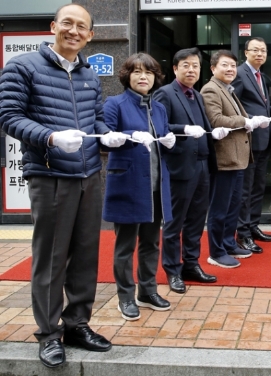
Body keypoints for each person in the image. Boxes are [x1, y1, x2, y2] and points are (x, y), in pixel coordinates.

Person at [0, 4, 126, 368]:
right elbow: (9, 116)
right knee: (52, 258)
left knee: (86, 255)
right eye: (67, 23)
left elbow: (98, 119)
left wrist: (108, 137)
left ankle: (77, 324)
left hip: (89, 174)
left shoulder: (88, 74)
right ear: (53, 26)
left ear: (90, 36)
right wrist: (50, 137)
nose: (73, 31)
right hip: (50, 173)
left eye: (81, 27)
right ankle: (49, 334)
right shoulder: (23, 66)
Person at [103, 53, 176, 322]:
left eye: (149, 72)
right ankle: (125, 296)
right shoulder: (115, 104)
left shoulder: (159, 108)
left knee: (151, 242)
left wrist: (170, 141)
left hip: (156, 184)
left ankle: (148, 291)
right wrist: (126, 136)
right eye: (137, 72)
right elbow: (103, 138)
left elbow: (163, 139)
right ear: (127, 76)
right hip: (128, 183)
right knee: (125, 245)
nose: (143, 77)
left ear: (156, 77)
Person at [153, 48, 218, 293]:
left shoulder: (197, 95)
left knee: (196, 221)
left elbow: (204, 126)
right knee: (174, 222)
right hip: (179, 167)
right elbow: (158, 125)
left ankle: (191, 264)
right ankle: (172, 270)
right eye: (186, 66)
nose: (192, 70)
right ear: (175, 68)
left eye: (196, 66)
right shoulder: (165, 93)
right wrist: (183, 129)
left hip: (202, 165)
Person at [201, 50, 268, 268]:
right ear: (213, 68)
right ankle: (216, 251)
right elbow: (216, 119)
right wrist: (244, 121)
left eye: (232, 65)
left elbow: (240, 117)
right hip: (224, 159)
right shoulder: (211, 89)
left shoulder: (228, 90)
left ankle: (229, 243)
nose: (230, 69)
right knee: (220, 208)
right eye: (225, 65)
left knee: (233, 206)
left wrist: (255, 120)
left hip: (239, 159)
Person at [233, 37, 271, 254]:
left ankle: (253, 225)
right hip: (248, 140)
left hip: (264, 140)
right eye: (255, 50)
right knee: (245, 190)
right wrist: (251, 119)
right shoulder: (240, 74)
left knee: (259, 188)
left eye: (263, 51)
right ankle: (243, 234)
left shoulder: (261, 76)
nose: (259, 54)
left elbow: (261, 107)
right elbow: (233, 106)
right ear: (246, 52)